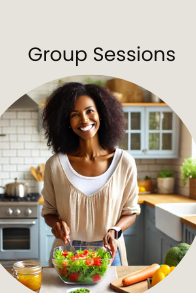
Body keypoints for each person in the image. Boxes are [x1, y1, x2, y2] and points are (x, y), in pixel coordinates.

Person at [40, 82, 141, 267]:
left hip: (110, 255)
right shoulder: (55, 165)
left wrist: (115, 230)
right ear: (66, 122)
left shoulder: (124, 162)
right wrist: (56, 225)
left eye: (89, 111)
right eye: (75, 115)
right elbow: (49, 212)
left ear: (102, 113)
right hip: (66, 255)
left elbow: (131, 212)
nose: (84, 120)